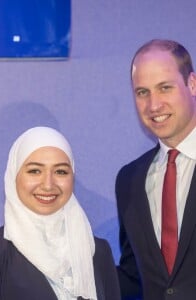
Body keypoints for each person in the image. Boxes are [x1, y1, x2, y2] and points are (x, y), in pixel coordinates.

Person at [0, 126, 121, 300]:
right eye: (35, 171)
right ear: (14, 175)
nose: (48, 184)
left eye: (60, 172)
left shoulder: (98, 251)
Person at [116, 39, 196, 300]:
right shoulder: (129, 180)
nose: (154, 105)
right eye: (142, 92)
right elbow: (132, 276)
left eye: (165, 88)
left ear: (192, 84)